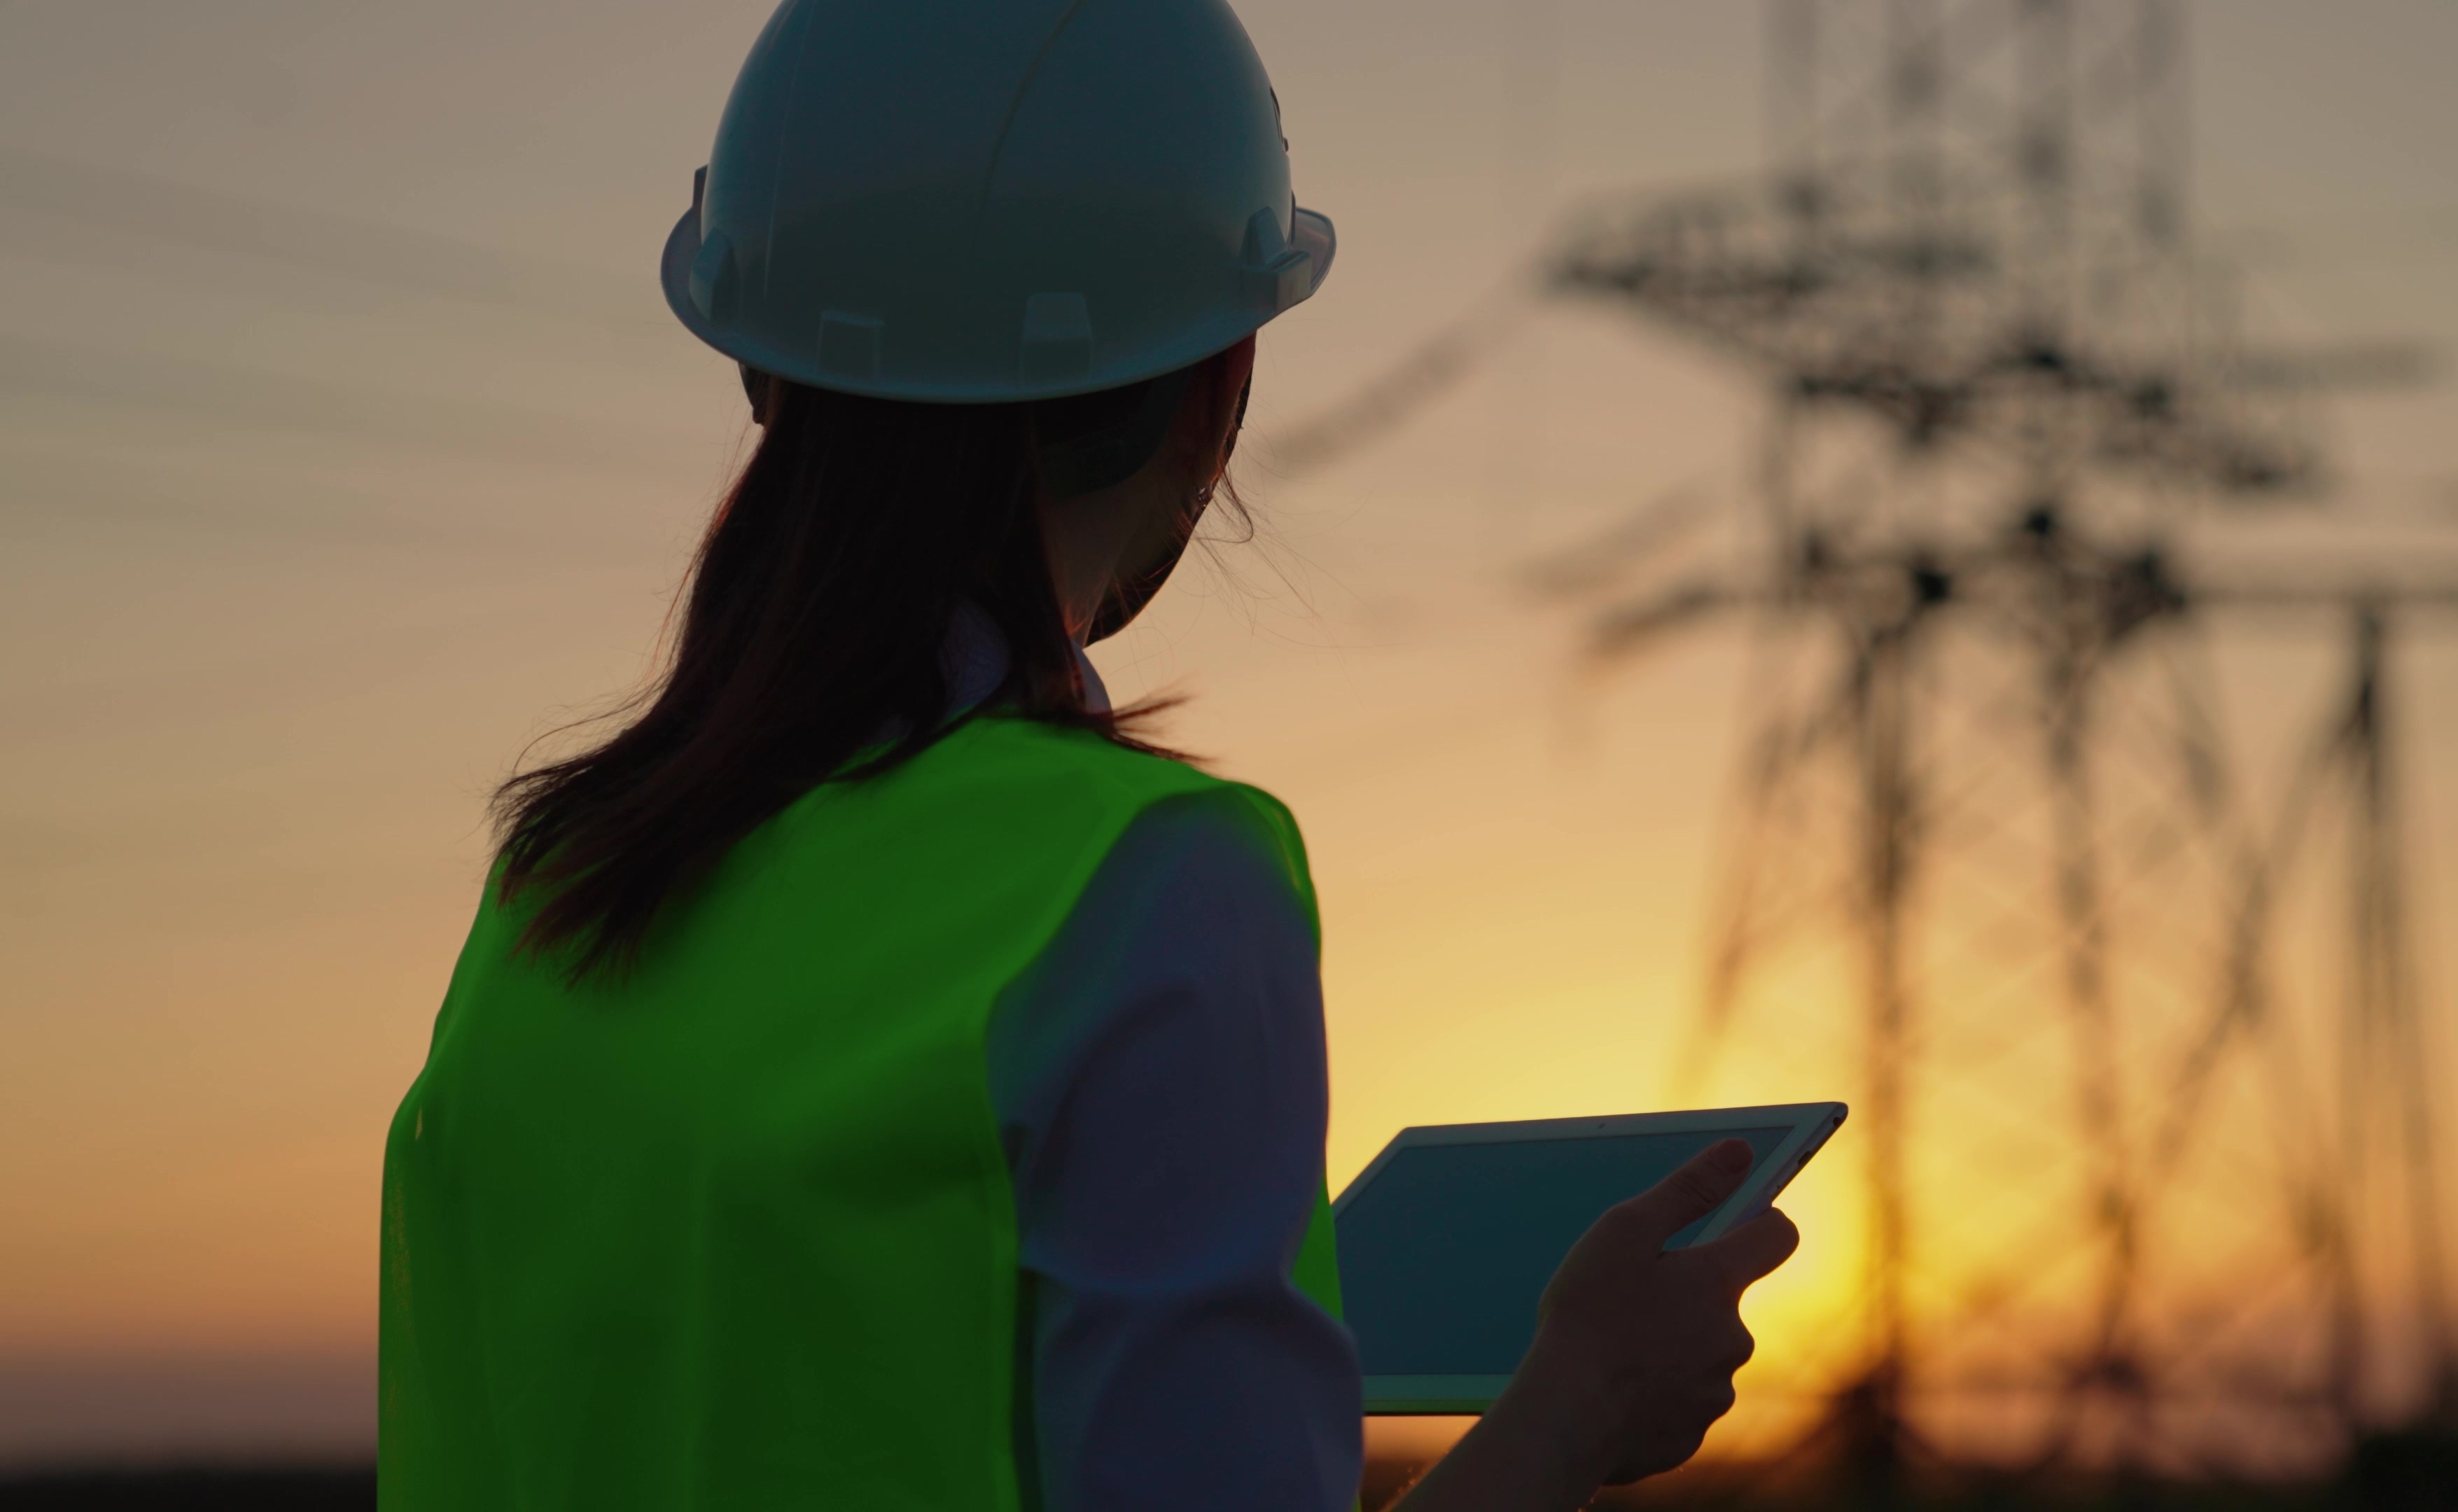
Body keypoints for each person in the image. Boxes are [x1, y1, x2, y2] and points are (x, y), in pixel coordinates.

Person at [375, 2, 1802, 1508]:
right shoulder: (1147, 883)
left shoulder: (549, 896)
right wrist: (1573, 1415)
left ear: (757, 367)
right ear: (1214, 386)